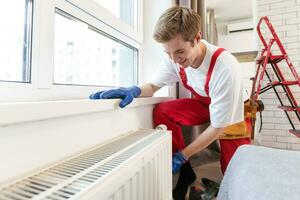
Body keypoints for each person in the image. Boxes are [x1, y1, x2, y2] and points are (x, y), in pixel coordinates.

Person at [90, 6, 251, 200]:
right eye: (168, 53)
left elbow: (217, 127)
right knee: (163, 111)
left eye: (180, 52)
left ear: (197, 38)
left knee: (235, 170)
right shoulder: (174, 58)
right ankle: (186, 172)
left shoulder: (224, 67)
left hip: (235, 109)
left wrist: (183, 153)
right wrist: (133, 90)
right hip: (204, 103)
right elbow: (152, 85)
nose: (175, 59)